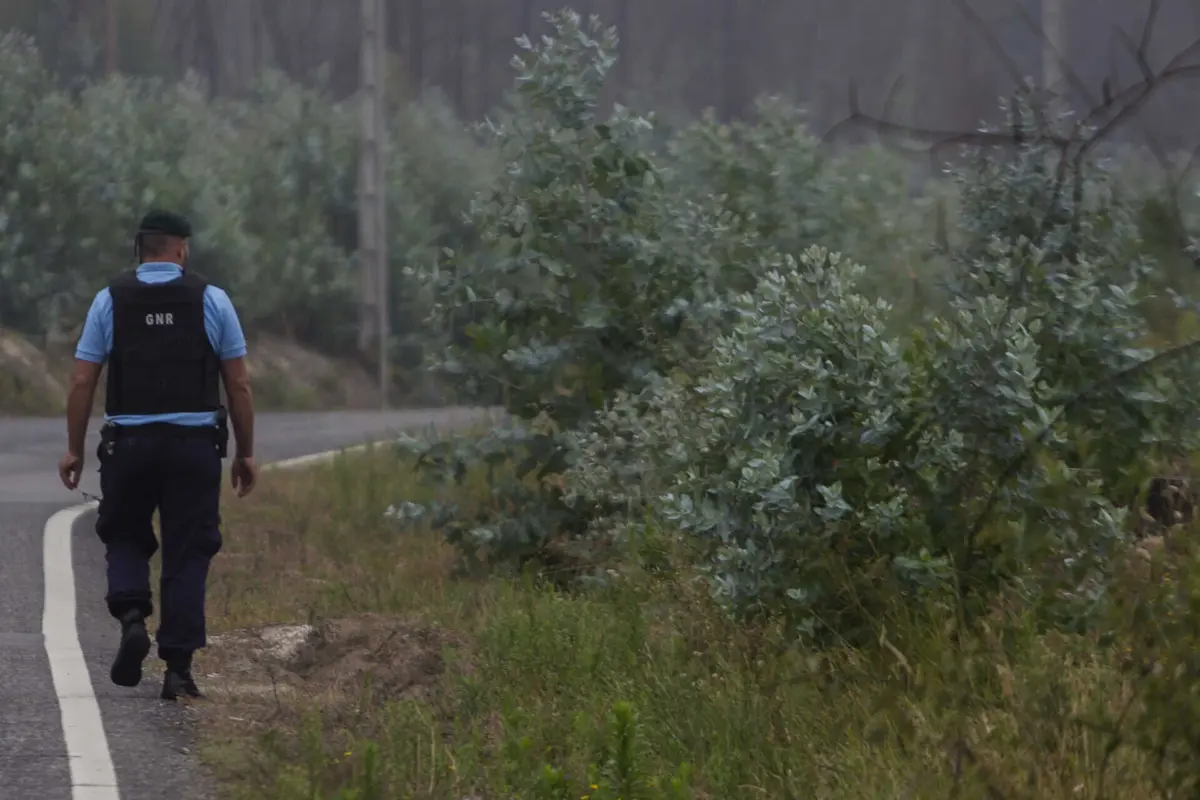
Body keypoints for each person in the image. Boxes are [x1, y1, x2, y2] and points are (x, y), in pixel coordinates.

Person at [58, 210, 258, 701]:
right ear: (181, 249)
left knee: (124, 532)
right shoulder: (212, 299)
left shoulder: (110, 300)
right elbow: (239, 383)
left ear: (141, 249)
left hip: (129, 448)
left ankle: (131, 615)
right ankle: (178, 669)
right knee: (188, 550)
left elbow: (83, 379)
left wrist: (73, 448)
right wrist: (246, 453)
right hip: (192, 449)